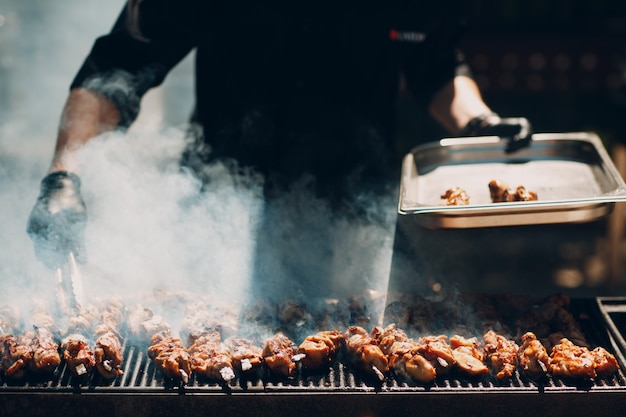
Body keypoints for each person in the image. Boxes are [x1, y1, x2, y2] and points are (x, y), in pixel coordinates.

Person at [27, 1, 531, 297]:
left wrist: (478, 120)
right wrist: (63, 175)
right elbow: (120, 67)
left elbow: (438, 67)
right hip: (219, 220)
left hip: (354, 225)